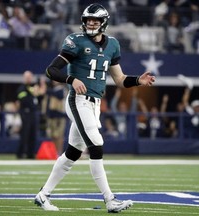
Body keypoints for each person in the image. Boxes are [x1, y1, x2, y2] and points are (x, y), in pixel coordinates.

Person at [34, 3, 155, 213]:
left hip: (95, 104)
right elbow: (51, 70)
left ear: (103, 23)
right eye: (88, 20)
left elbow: (119, 79)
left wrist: (138, 81)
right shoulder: (76, 41)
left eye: (95, 20)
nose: (91, 23)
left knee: (72, 153)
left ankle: (43, 195)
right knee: (96, 145)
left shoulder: (113, 45)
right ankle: (110, 200)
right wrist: (71, 79)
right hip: (78, 101)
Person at [16, 70, 46, 159]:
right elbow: (23, 99)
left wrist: (42, 86)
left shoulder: (33, 88)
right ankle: (20, 153)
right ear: (24, 78)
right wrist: (33, 93)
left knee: (33, 134)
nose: (29, 79)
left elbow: (41, 97)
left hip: (34, 113)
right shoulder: (22, 88)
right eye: (27, 77)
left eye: (30, 77)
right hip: (26, 113)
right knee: (25, 133)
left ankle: (30, 154)